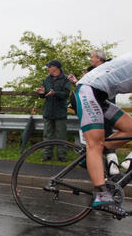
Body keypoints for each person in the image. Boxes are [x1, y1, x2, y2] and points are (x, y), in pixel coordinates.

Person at [71, 52, 132, 217]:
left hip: (99, 96)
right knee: (95, 143)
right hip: (87, 92)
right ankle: (102, 197)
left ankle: (90, 158)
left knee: (130, 129)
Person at [69, 50, 121, 175]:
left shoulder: (107, 69)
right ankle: (98, 165)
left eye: (92, 57)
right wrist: (77, 81)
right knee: (95, 139)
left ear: (99, 58)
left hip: (105, 104)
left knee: (107, 135)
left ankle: (111, 165)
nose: (90, 59)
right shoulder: (92, 71)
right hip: (93, 104)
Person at [37, 60, 72, 162]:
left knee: (61, 135)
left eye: (49, 67)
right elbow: (43, 95)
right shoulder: (46, 80)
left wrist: (55, 93)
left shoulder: (66, 79)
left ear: (56, 67)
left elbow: (66, 94)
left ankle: (62, 155)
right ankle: (47, 155)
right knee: (47, 134)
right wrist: (41, 93)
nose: (48, 68)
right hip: (48, 111)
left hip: (60, 111)